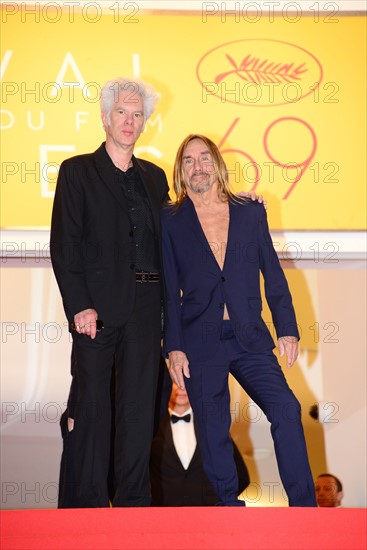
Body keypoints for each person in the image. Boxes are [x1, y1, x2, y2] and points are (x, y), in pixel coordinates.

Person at [162, 134, 317, 507]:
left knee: (286, 408)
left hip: (249, 336)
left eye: (203, 158)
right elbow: (167, 288)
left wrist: (288, 329)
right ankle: (228, 507)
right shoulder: (169, 219)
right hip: (200, 339)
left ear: (216, 163)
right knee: (214, 427)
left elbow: (273, 273)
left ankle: (305, 507)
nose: (197, 166)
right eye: (188, 161)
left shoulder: (250, 211)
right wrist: (174, 346)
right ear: (181, 172)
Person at [51, 77, 170, 508]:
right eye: (122, 111)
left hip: (146, 310)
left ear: (144, 125)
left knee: (139, 415)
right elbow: (64, 245)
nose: (129, 120)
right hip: (96, 312)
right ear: (105, 117)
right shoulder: (77, 171)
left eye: (137, 114)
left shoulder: (155, 179)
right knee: (93, 411)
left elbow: (174, 241)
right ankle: (86, 508)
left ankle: (134, 509)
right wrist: (79, 305)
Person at [150, 378, 250, 506]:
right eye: (177, 382)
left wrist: (216, 500)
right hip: (162, 518)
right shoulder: (152, 426)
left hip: (207, 518)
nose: (182, 388)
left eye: (186, 384)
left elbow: (241, 475)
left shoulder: (211, 426)